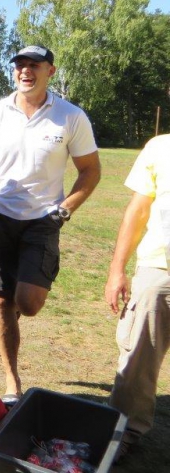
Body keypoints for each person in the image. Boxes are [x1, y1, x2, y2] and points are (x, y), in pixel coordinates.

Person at [0, 45, 101, 403]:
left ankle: (21, 301)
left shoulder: (70, 117)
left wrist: (65, 209)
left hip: (42, 220)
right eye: (20, 65)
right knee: (1, 302)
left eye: (34, 65)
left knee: (29, 303)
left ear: (50, 71)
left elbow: (90, 170)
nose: (25, 71)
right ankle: (12, 381)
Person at [104, 133, 170, 461]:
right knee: (137, 358)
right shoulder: (160, 147)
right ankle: (123, 433)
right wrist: (118, 269)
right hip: (159, 269)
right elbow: (138, 209)